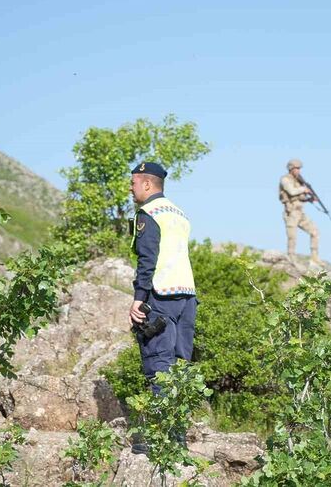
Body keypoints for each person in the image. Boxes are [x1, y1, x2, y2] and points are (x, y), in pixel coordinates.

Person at [128, 161, 197, 452]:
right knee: (179, 368)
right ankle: (178, 438)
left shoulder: (149, 214)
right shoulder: (179, 214)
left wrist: (138, 298)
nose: (131, 190)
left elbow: (148, 260)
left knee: (159, 365)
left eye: (132, 184)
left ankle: (157, 439)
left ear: (146, 184)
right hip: (187, 298)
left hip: (161, 297)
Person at [279, 158, 321, 264]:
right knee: (292, 237)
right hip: (291, 213)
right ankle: (291, 258)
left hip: (300, 212)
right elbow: (292, 192)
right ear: (291, 168)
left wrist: (310, 198)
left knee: (315, 232)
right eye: (296, 168)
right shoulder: (285, 179)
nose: (298, 171)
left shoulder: (299, 181)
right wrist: (304, 189)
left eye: (299, 168)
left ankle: (315, 257)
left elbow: (299, 198)